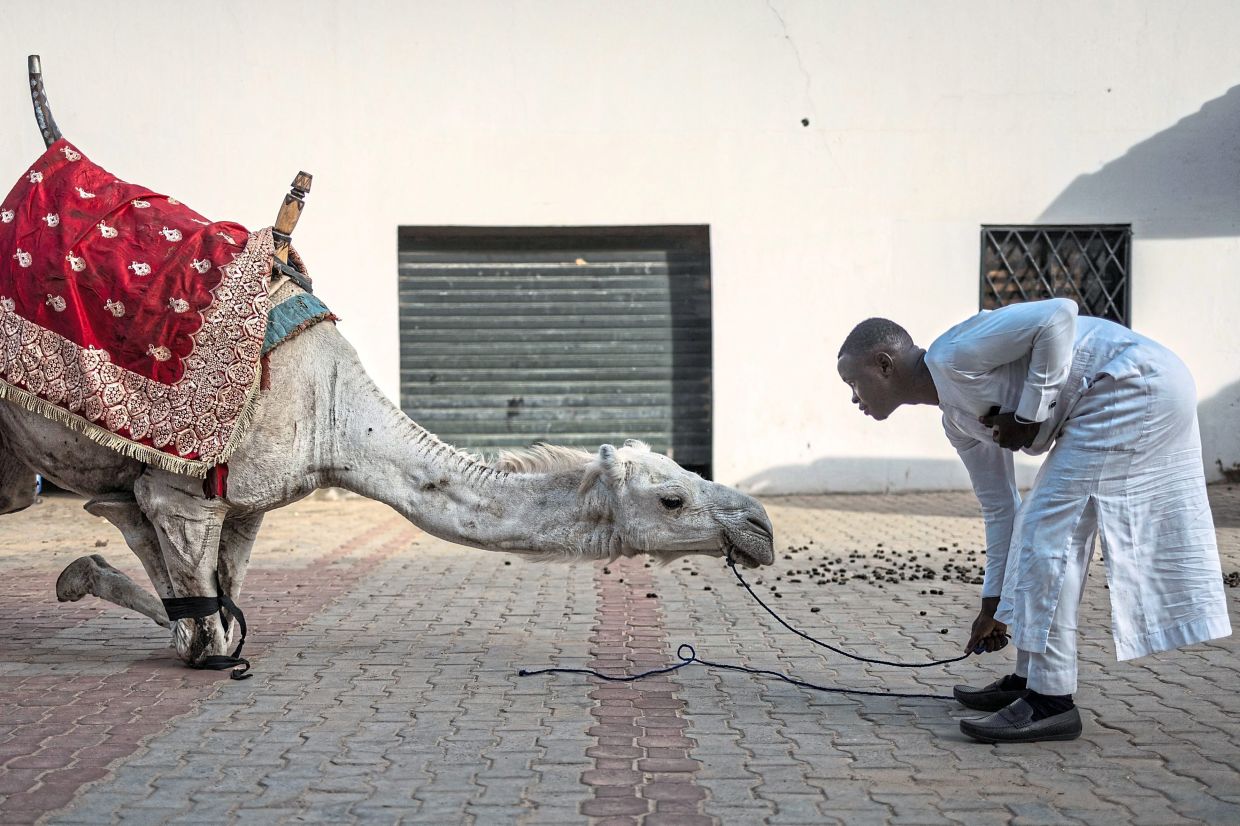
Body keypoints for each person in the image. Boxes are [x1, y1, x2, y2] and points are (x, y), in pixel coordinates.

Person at [836, 297, 1232, 743]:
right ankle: (1030, 681)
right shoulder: (957, 421)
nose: (854, 397)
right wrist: (993, 602)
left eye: (853, 382)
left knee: (1046, 529)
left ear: (884, 364)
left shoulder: (953, 352)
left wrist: (1029, 415)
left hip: (1134, 383)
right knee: (1039, 527)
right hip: (1112, 396)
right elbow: (1002, 508)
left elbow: (1059, 314)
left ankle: (1051, 701)